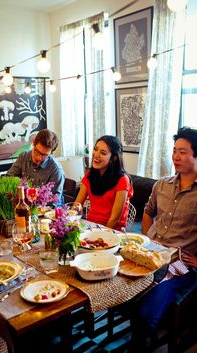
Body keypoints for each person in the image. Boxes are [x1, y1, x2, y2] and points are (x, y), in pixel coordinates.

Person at [129, 126, 197, 352]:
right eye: (174, 150)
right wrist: (147, 239)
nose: (175, 157)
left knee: (146, 312)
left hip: (179, 262)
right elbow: (148, 212)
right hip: (149, 252)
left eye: (183, 152)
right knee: (113, 283)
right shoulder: (161, 185)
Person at [75, 135, 133, 230]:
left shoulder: (123, 180)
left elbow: (114, 220)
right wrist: (71, 222)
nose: (96, 155)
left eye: (103, 153)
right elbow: (77, 205)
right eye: (95, 149)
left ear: (113, 158)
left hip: (112, 231)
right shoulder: (90, 174)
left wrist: (101, 237)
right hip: (90, 226)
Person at [6, 128, 65, 206]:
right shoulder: (24, 157)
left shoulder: (56, 170)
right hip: (25, 207)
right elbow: (8, 178)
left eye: (44, 155)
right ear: (33, 143)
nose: (39, 158)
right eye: (37, 152)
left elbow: (54, 202)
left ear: (51, 152)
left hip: (45, 212)